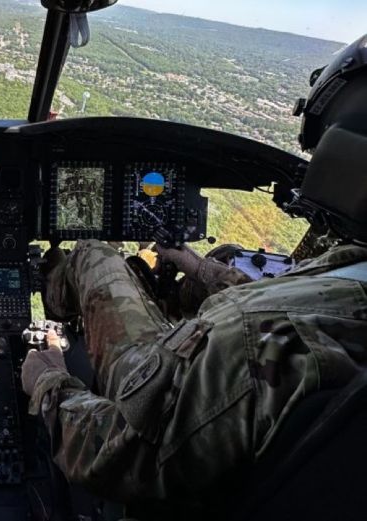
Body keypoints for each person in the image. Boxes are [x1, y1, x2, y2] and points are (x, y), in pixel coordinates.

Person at [21, 34, 367, 513]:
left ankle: (53, 288)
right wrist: (198, 266)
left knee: (96, 253)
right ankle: (145, 283)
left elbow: (117, 454)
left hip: (155, 387)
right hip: (224, 409)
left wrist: (48, 382)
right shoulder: (349, 284)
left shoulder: (251, 338)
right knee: (222, 256)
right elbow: (291, 298)